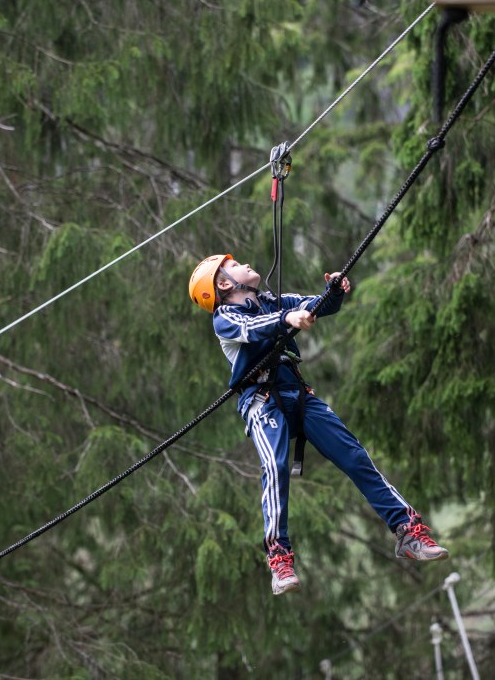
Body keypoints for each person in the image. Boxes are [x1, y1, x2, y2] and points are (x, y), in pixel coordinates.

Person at [188, 254, 448, 596]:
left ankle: (407, 530)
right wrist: (286, 319)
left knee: (354, 455)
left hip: (298, 395)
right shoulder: (226, 318)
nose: (247, 263)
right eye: (234, 266)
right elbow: (253, 329)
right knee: (275, 466)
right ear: (223, 284)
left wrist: (333, 290)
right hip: (262, 403)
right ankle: (279, 558)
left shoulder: (273, 301)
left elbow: (315, 306)